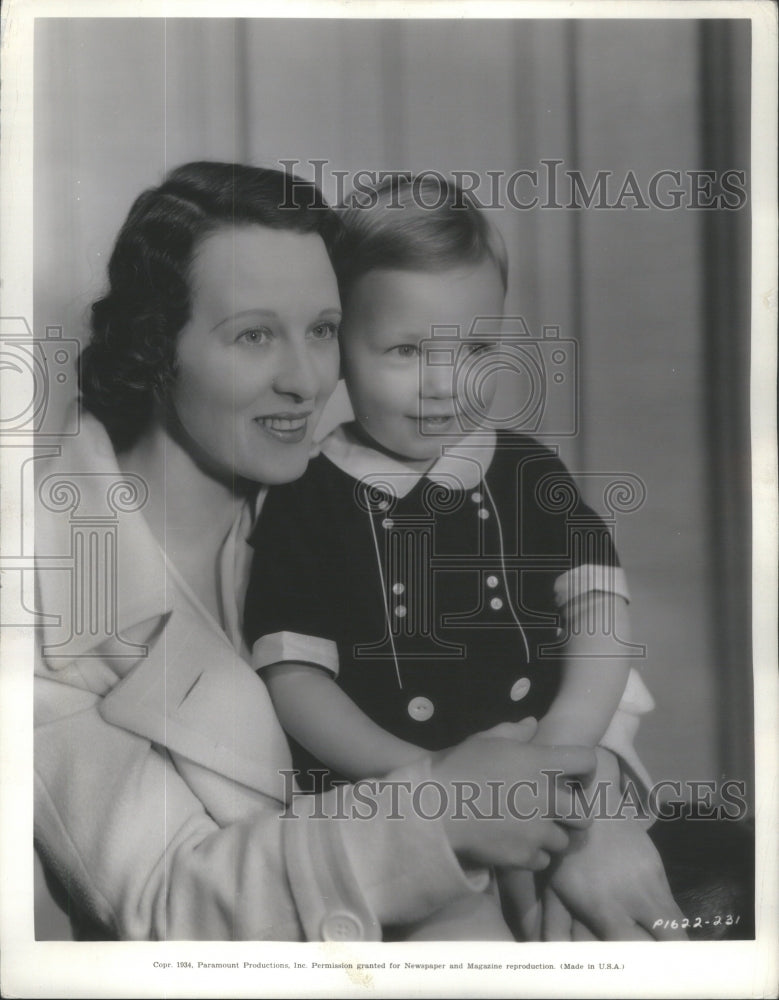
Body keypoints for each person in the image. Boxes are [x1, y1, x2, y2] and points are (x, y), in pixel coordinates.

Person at [33, 160, 613, 942]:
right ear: (153, 346)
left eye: (323, 331)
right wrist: (437, 809)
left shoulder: (367, 490)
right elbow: (175, 905)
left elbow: (579, 678)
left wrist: (590, 828)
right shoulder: (40, 596)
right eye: (254, 336)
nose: (307, 380)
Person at [243, 176, 667, 940]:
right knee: (458, 947)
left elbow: (600, 614)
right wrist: (425, 784)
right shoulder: (306, 499)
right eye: (404, 350)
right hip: (408, 813)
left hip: (553, 767)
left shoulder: (527, 472)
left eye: (473, 349)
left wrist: (560, 750)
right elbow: (296, 677)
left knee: (593, 935)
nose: (442, 384)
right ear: (339, 346)